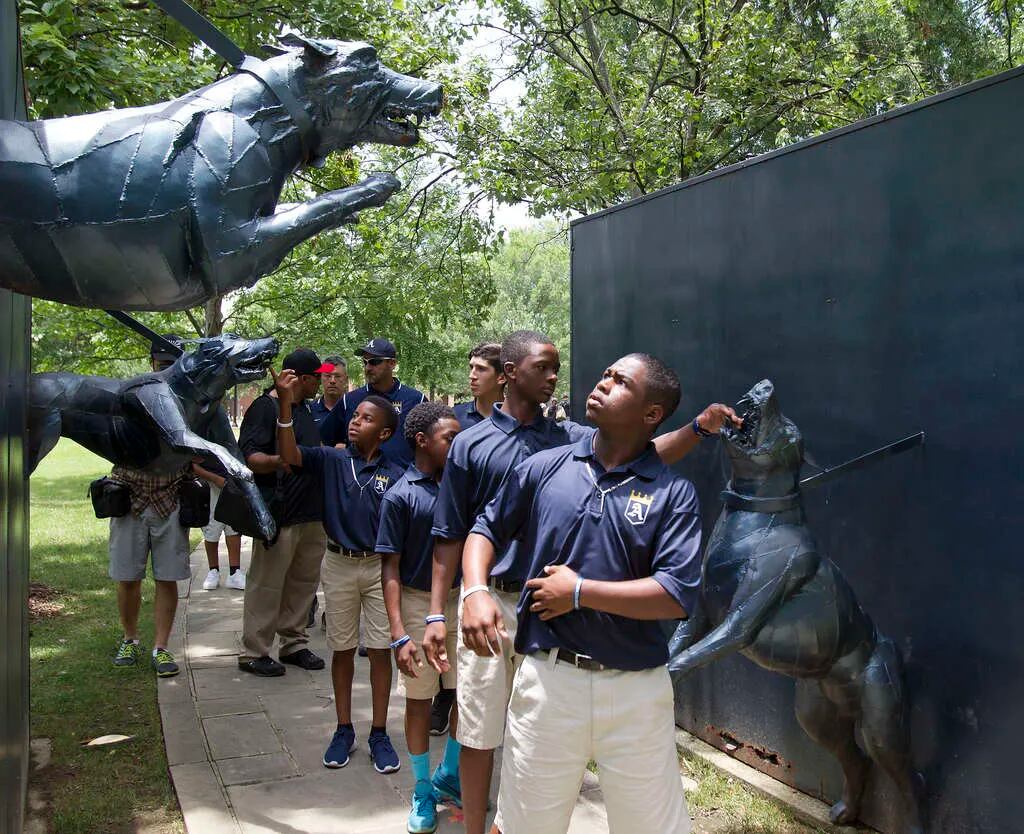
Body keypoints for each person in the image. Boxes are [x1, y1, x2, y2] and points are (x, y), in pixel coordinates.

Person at [423, 330, 740, 834]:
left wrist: (578, 591)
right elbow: (481, 529)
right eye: (606, 373)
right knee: (522, 821)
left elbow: (676, 594)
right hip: (550, 681)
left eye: (619, 382)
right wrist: (475, 591)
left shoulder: (672, 493)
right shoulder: (547, 466)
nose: (601, 382)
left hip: (635, 691)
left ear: (651, 413)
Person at [272, 368, 405, 775]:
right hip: (338, 565)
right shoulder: (331, 459)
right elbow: (291, 455)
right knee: (342, 648)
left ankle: (379, 732)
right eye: (355, 415)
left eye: (366, 418)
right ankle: (344, 728)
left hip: (378, 568)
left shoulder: (395, 473)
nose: (354, 421)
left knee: (381, 651)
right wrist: (284, 403)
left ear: (383, 433)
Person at [377, 402, 464, 832]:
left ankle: (450, 772)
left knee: (466, 695)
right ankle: (422, 788)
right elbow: (389, 567)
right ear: (421, 440)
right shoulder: (401, 496)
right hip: (415, 605)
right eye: (451, 437)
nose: (458, 443)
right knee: (419, 700)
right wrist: (398, 632)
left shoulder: (461, 486)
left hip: (460, 601)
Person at [237, 348, 333, 677]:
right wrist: (281, 461)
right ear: (303, 379)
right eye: (317, 377)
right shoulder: (265, 408)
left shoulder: (306, 410)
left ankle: (294, 642)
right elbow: (249, 457)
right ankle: (254, 650)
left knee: (303, 582)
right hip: (280, 511)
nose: (321, 383)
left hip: (311, 511)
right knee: (267, 583)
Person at [109, 335, 189, 677]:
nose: (165, 367)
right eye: (161, 361)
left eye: (172, 362)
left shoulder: (190, 402)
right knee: (127, 576)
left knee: (167, 577)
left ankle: (161, 647)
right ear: (152, 360)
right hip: (130, 496)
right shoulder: (131, 394)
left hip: (170, 497)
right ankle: (129, 638)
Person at [318, 337, 426, 468]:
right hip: (359, 484)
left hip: (401, 484)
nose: (368, 367)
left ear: (392, 363)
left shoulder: (416, 400)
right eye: (365, 362)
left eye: (374, 362)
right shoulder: (349, 400)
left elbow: (429, 444)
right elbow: (324, 440)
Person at [192, 460, 245, 590]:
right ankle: (213, 571)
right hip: (210, 486)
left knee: (233, 528)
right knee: (211, 530)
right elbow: (191, 463)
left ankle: (234, 572)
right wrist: (215, 478)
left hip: (231, 483)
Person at [453, 342, 504, 430]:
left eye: (481, 369)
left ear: (501, 377)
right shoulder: (453, 417)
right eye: (471, 367)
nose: (471, 376)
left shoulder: (519, 419)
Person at [311, 355, 349, 426]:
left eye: (337, 376)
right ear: (320, 378)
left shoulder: (355, 408)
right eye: (328, 376)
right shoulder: (309, 410)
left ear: (346, 379)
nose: (332, 381)